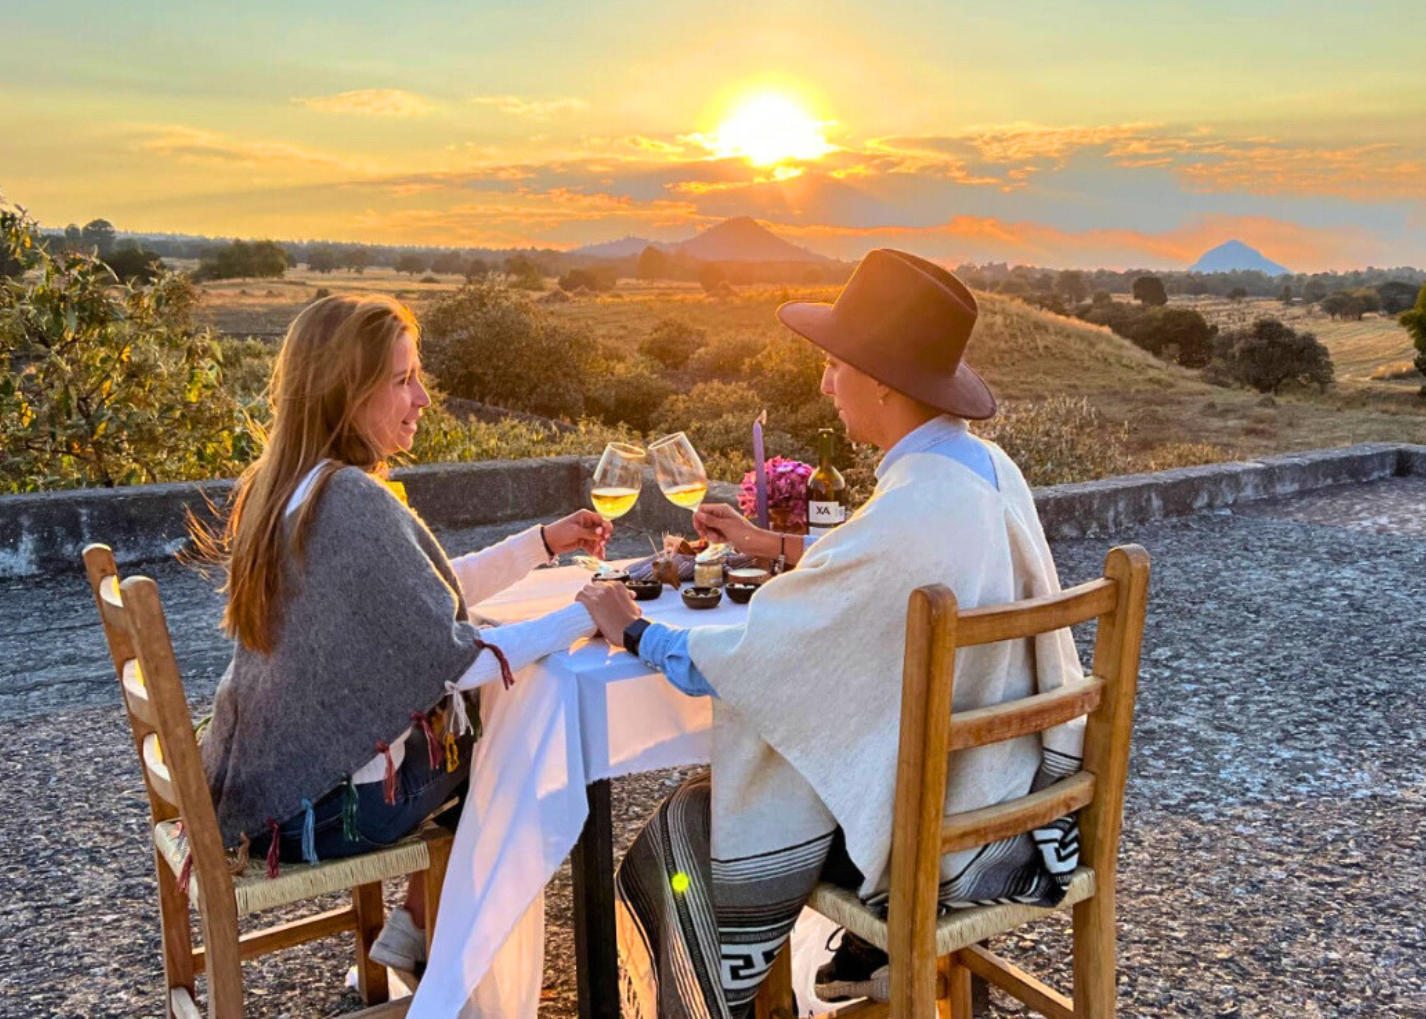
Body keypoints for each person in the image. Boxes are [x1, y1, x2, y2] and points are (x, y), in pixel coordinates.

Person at [576, 249, 1086, 1015]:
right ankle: (861, 965)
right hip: (1022, 802)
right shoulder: (982, 468)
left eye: (835, 365)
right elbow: (871, 568)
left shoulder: (911, 508)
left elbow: (754, 660)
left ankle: (696, 996)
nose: (823, 382)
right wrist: (766, 544)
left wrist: (636, 631)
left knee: (692, 818)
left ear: (882, 380)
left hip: (948, 841)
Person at [198, 294, 610, 973]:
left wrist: (541, 542)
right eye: (401, 379)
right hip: (320, 807)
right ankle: (440, 945)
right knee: (518, 725)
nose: (422, 396)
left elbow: (424, 594)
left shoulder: (292, 488)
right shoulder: (352, 503)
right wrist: (588, 613)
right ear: (344, 392)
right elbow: (460, 658)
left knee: (490, 721)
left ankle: (422, 925)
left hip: (267, 785)